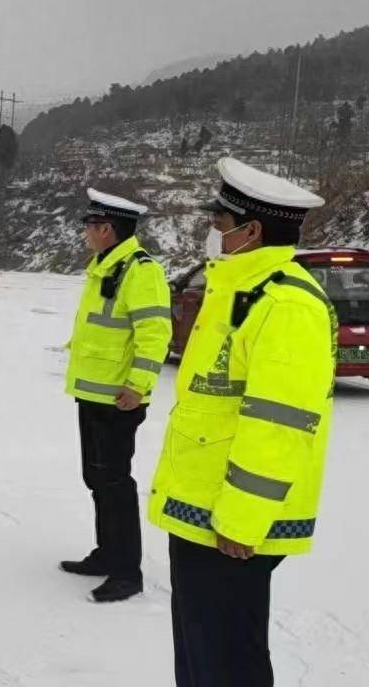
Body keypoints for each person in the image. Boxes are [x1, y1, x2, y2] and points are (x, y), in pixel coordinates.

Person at [149, 157, 336, 686]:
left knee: (228, 662)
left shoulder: (286, 304)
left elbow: (280, 423)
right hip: (203, 508)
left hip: (230, 525)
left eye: (220, 221)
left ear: (252, 231)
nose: (212, 231)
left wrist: (243, 520)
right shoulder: (235, 288)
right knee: (202, 652)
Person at [61, 189, 172, 603]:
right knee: (97, 478)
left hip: (118, 399)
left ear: (107, 229)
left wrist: (138, 386)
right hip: (94, 394)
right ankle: (107, 553)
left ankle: (127, 572)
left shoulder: (140, 271)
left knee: (114, 482)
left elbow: (155, 332)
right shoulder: (106, 265)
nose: (86, 234)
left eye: (90, 227)